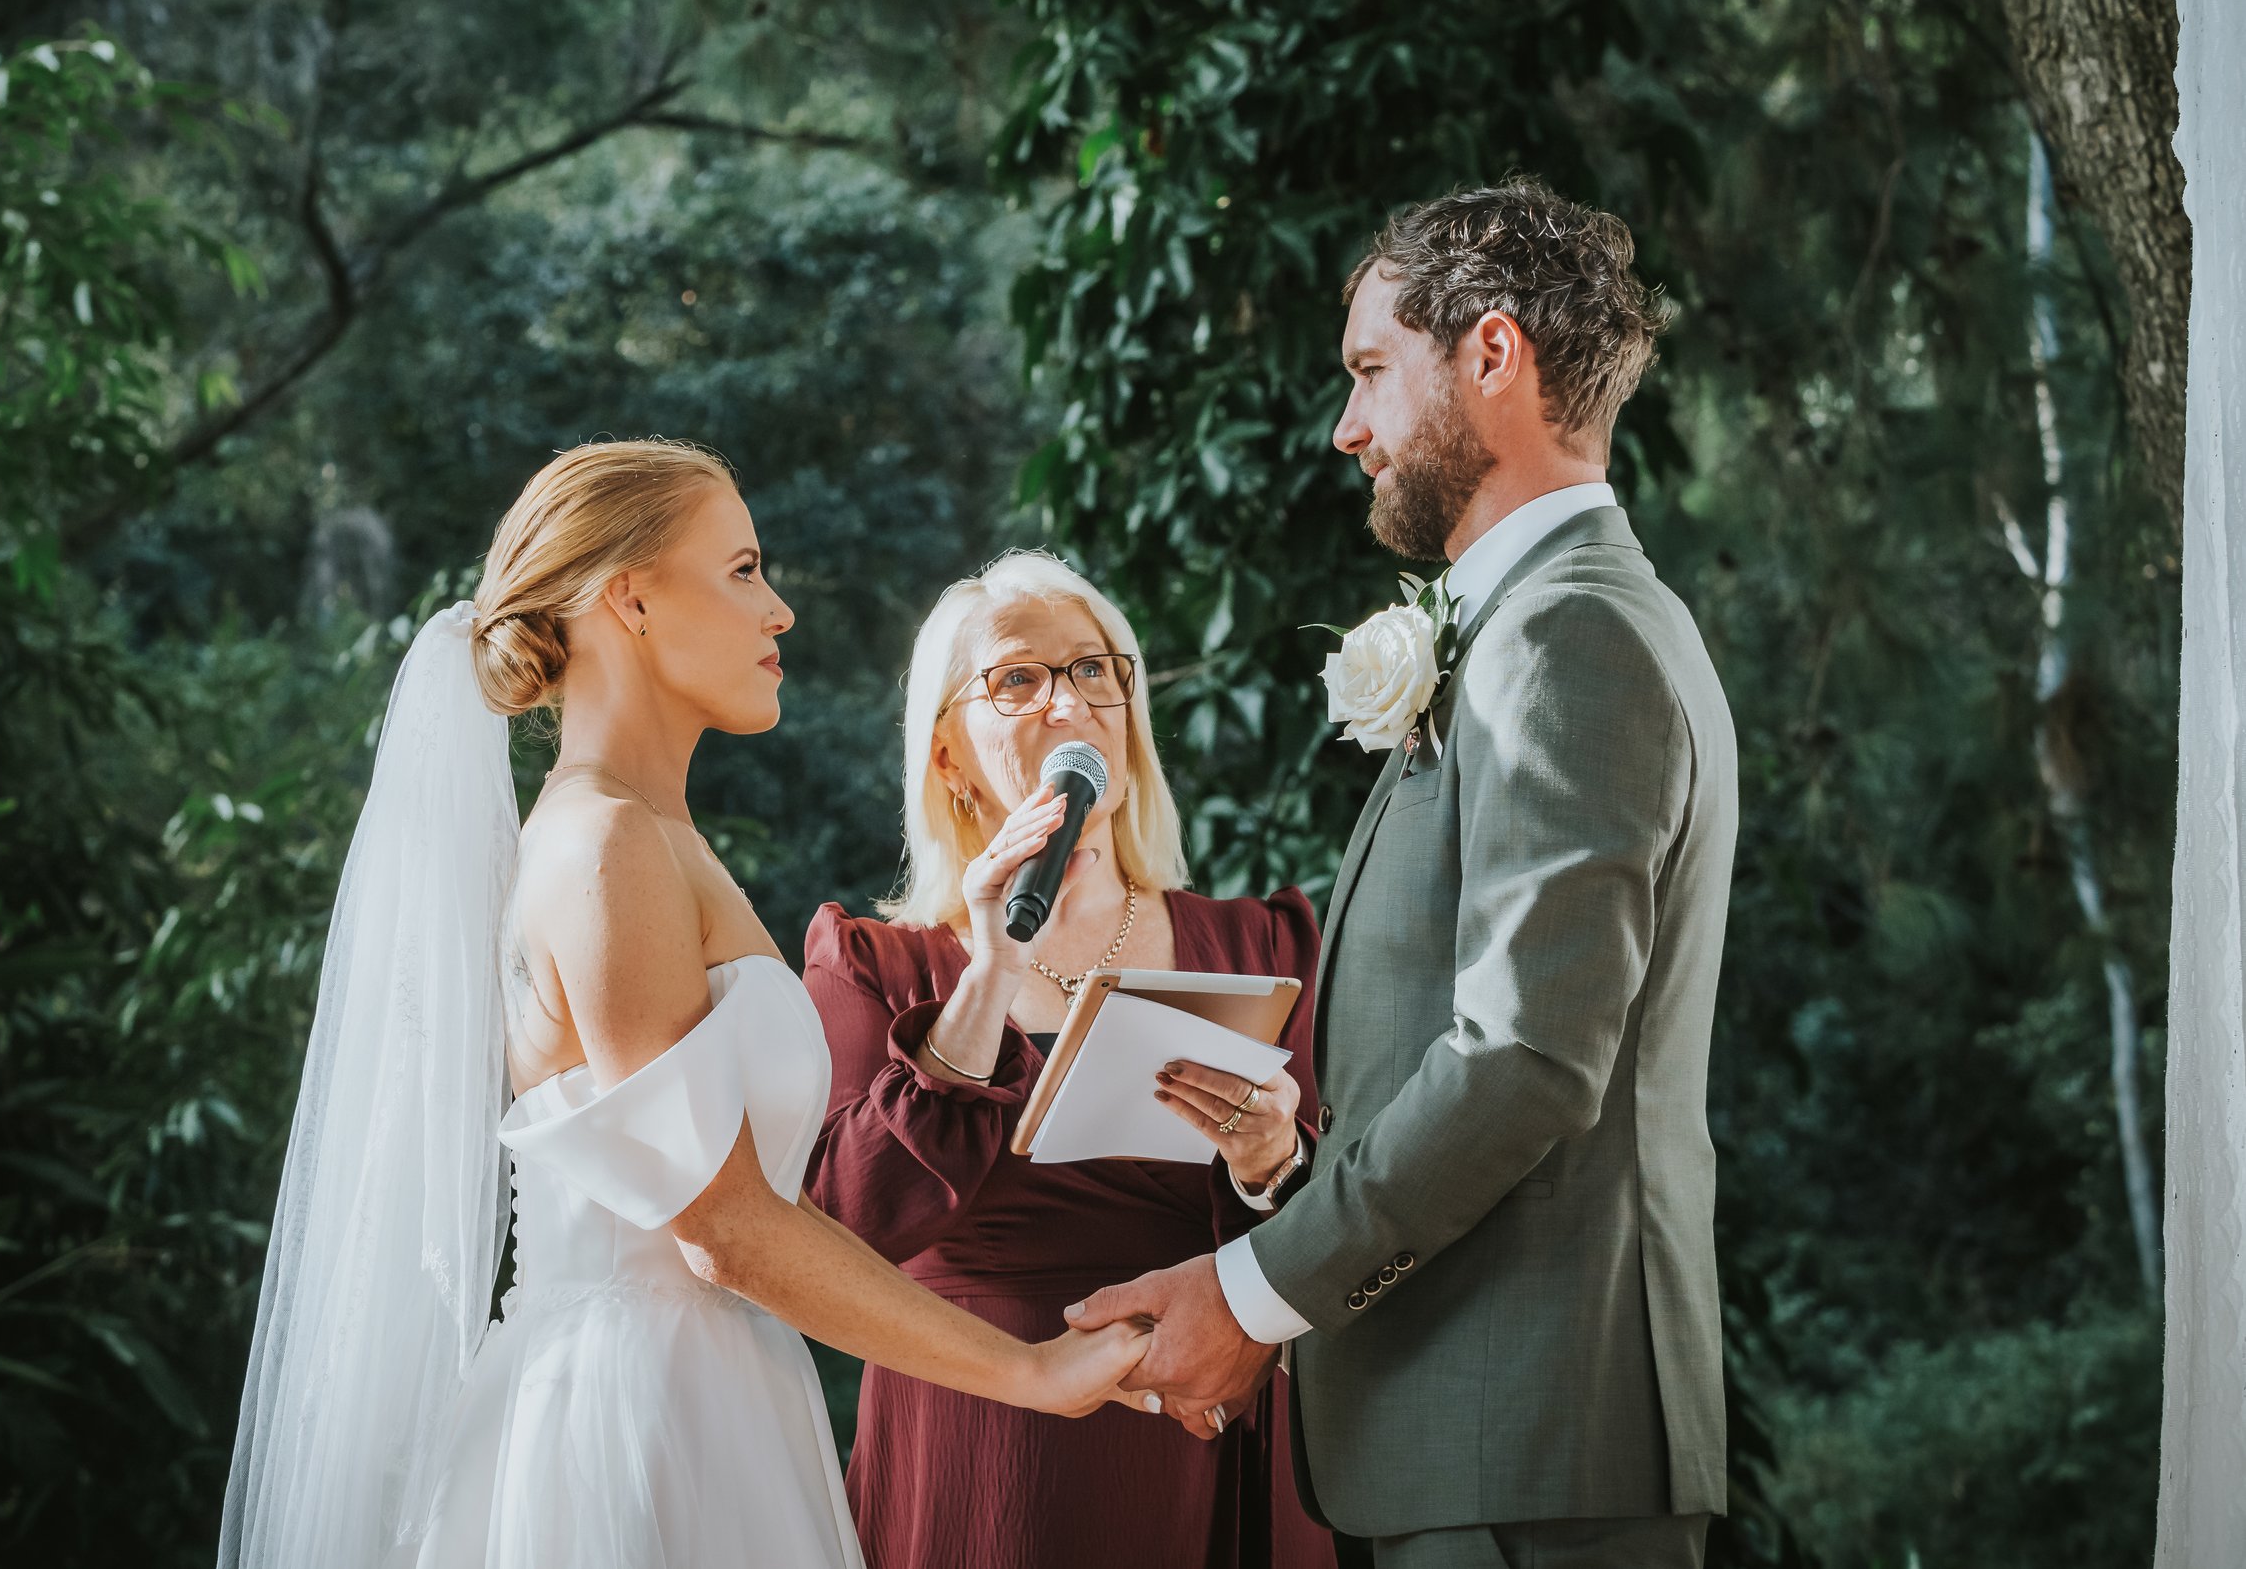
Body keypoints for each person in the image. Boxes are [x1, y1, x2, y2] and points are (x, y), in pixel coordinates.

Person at [218, 442, 1151, 1569]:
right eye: (744, 569)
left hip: (721, 1394)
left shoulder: (656, 838)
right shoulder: (604, 844)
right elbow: (720, 1225)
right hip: (634, 1424)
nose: (783, 610)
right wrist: (1029, 1374)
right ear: (631, 598)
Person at [1068, 181, 1739, 1569]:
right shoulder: (1539, 628)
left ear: (1492, 356)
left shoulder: (1568, 640)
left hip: (1527, 1454)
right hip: (1479, 1441)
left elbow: (1526, 1060)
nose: (1348, 427)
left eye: (1373, 372)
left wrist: (1254, 1296)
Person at [804, 550, 1336, 1569]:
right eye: (1017, 679)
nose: (1071, 704)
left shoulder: (1268, 944)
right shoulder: (872, 965)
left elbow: (1346, 1225)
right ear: (948, 755)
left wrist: (1272, 1162)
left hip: (1206, 1442)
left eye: (1095, 671)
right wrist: (988, 971)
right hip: (977, 1458)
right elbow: (839, 1232)